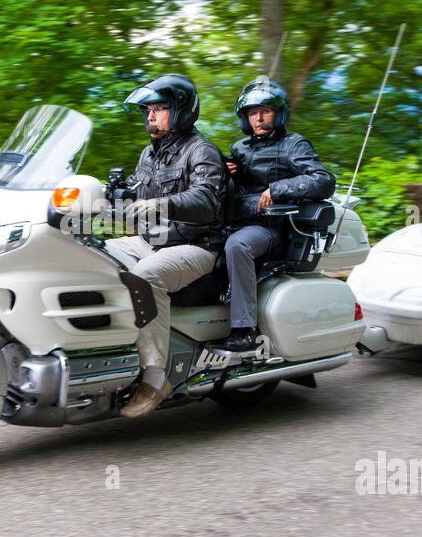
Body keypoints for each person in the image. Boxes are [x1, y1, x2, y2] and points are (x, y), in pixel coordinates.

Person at [106, 74, 226, 417]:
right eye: (148, 110)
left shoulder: (201, 150)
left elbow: (207, 199)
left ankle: (156, 378)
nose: (150, 117)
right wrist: (111, 194)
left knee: (144, 277)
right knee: (92, 256)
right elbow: (135, 194)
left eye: (159, 109)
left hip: (198, 244)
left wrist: (164, 205)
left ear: (182, 112)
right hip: (152, 240)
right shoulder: (150, 153)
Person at [221, 77, 334, 351]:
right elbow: (232, 190)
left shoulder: (294, 145)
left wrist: (280, 187)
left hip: (272, 228)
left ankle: (244, 329)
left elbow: (324, 180)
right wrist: (225, 174)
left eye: (265, 111)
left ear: (279, 113)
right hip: (237, 220)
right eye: (252, 113)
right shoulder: (240, 148)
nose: (258, 118)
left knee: (238, 246)